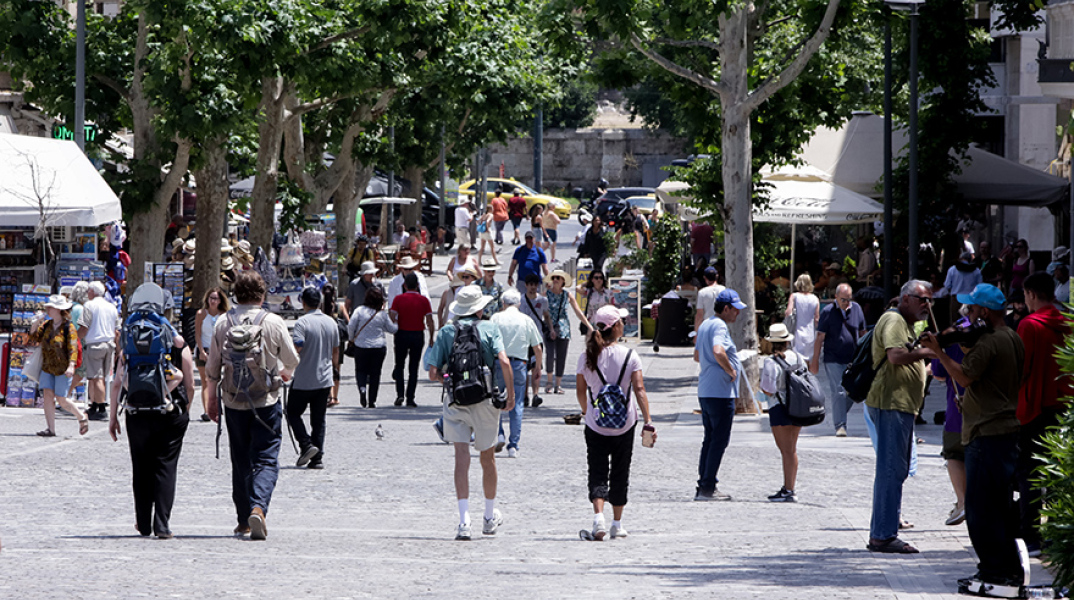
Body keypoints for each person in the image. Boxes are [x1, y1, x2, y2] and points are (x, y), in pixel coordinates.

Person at [921, 284, 1025, 594]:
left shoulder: (990, 342)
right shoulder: (1012, 337)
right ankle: (1005, 569)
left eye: (972, 308)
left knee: (981, 511)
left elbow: (965, 377)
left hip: (986, 433)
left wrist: (939, 351)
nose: (967, 314)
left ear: (985, 311)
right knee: (1001, 508)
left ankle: (993, 572)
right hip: (1005, 430)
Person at [206, 271, 300, 540]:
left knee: (240, 460)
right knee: (266, 458)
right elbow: (292, 359)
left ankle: (242, 519)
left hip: (233, 400)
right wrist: (284, 373)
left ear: (235, 294)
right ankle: (258, 508)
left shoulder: (223, 322)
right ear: (262, 294)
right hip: (266, 400)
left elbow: (212, 367)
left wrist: (211, 398)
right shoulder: (273, 322)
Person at [425, 286, 515, 540]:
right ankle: (488, 517)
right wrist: (511, 395)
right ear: (479, 308)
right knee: (488, 458)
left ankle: (464, 520)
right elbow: (505, 362)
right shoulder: (488, 328)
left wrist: (450, 379)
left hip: (456, 402)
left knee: (461, 458)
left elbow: (432, 373)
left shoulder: (446, 331)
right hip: (485, 400)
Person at [108, 283, 192, 539]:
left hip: (136, 409)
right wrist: (185, 408)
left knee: (141, 467)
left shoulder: (129, 342)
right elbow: (189, 382)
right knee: (165, 466)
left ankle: (143, 523)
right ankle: (162, 525)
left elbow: (116, 381)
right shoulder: (178, 343)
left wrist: (113, 416)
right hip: (170, 411)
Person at [864, 280, 936, 554]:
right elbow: (895, 356)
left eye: (930, 300)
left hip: (901, 405)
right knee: (891, 470)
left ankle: (885, 530)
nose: (927, 305)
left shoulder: (905, 323)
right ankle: (882, 535)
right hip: (890, 403)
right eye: (922, 299)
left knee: (897, 470)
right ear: (906, 299)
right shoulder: (894, 320)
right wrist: (928, 352)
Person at [576, 305, 653, 540]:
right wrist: (648, 421)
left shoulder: (586, 356)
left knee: (597, 470)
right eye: (621, 321)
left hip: (596, 424)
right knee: (621, 471)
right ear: (616, 327)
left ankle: (598, 518)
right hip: (625, 424)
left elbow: (581, 391)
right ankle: (616, 524)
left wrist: (588, 412)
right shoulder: (630, 356)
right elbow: (639, 390)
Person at [1015, 272, 1073, 557]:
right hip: (1064, 406)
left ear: (1032, 294)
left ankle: (1031, 535)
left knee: (1030, 472)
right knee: (1058, 471)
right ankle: (1058, 533)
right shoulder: (1069, 323)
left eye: (1026, 296)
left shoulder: (1029, 325)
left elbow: (1021, 368)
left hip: (1034, 407)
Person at [693, 288, 747, 501]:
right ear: (726, 309)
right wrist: (731, 370)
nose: (738, 314)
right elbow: (718, 350)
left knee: (710, 439)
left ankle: (704, 484)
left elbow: (698, 355)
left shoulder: (706, 323)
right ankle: (708, 487)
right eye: (735, 310)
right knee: (719, 440)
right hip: (720, 393)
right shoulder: (719, 326)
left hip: (706, 390)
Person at [286, 287, 340, 470]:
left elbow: (298, 346)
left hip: (304, 378)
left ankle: (306, 444)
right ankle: (317, 458)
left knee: (292, 412)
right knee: (319, 419)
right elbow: (335, 350)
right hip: (324, 379)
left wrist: (287, 361)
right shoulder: (331, 322)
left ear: (304, 303)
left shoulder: (302, 323)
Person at [490, 289, 544, 458]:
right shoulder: (526, 320)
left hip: (499, 362)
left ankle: (498, 433)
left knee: (497, 401)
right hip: (520, 364)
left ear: (503, 303)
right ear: (519, 304)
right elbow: (537, 347)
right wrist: (537, 368)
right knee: (517, 403)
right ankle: (513, 445)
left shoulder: (496, 318)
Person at [809, 283, 865, 437]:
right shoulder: (827, 312)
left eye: (849, 299)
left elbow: (862, 333)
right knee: (839, 390)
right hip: (833, 358)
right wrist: (815, 361)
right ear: (836, 297)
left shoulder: (857, 309)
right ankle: (840, 425)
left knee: (854, 391)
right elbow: (820, 337)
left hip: (853, 358)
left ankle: (838, 410)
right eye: (843, 300)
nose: (847, 303)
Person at [929, 316, 968, 529]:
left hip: (958, 408)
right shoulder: (994, 334)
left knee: (954, 454)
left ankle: (962, 501)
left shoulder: (951, 337)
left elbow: (938, 374)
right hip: (988, 410)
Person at [30, 294, 88, 437]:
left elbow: (73, 348)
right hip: (47, 366)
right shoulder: (46, 326)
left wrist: (71, 365)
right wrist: (34, 323)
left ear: (59, 310)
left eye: (51, 307)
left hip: (63, 368)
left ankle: (81, 416)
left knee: (62, 399)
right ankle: (51, 428)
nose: (48, 309)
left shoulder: (69, 327)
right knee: (48, 395)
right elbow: (33, 338)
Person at [759, 323, 804, 503]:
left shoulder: (770, 362)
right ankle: (789, 487)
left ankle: (789, 489)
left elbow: (768, 389)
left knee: (786, 450)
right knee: (792, 449)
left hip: (779, 407)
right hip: (798, 406)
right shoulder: (798, 357)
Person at [391, 272, 436, 407]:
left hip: (401, 334)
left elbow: (392, 318)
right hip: (417, 334)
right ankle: (410, 397)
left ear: (404, 285)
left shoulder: (398, 299)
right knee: (413, 367)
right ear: (417, 285)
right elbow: (429, 321)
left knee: (399, 365)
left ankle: (399, 394)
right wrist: (431, 337)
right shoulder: (424, 300)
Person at [544, 269, 592, 395]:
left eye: (558, 278)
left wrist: (588, 325)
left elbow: (578, 311)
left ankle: (558, 384)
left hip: (563, 327)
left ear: (563, 281)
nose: (555, 280)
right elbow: (541, 308)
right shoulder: (546, 294)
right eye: (554, 277)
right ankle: (549, 382)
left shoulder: (567, 295)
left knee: (561, 356)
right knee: (549, 354)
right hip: (549, 327)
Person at [349, 287, 398, 408]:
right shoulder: (382, 315)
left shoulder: (359, 310)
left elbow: (351, 325)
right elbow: (392, 329)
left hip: (361, 346)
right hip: (378, 347)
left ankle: (362, 389)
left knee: (360, 370)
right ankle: (372, 401)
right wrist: (397, 322)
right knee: (375, 374)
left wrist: (351, 338)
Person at [79, 281, 120, 421]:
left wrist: (75, 340)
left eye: (88, 291)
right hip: (109, 344)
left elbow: (84, 327)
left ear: (92, 292)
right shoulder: (112, 306)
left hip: (95, 344)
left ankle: (101, 408)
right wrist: (118, 349)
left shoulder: (89, 305)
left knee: (97, 378)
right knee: (101, 377)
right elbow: (117, 330)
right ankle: (95, 405)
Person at [195, 287, 229, 422]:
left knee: (220, 381)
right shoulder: (201, 313)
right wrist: (201, 351)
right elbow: (197, 334)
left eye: (216, 298)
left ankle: (219, 407)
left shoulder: (224, 315)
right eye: (211, 298)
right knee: (206, 381)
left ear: (220, 300)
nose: (213, 301)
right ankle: (206, 411)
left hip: (220, 350)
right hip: (204, 349)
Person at [520, 274, 549, 407]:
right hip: (523, 338)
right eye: (530, 284)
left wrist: (551, 329)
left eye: (535, 284)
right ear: (526, 285)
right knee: (524, 367)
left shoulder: (542, 300)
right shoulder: (521, 301)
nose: (532, 287)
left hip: (537, 338)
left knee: (536, 367)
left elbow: (546, 316)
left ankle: (536, 394)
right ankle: (525, 395)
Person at [320, 284, 346, 407]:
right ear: (335, 293)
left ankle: (328, 395)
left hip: (324, 340)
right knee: (336, 369)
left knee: (325, 368)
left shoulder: (320, 308)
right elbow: (348, 323)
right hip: (338, 341)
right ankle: (335, 397)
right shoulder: (340, 307)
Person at [785, 274, 819, 361]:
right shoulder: (815, 298)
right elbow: (816, 319)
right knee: (808, 361)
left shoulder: (794, 296)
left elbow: (788, 312)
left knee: (797, 360)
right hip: (810, 333)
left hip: (797, 332)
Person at [945, 251, 982, 320]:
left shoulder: (952, 269)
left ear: (960, 258)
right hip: (970, 299)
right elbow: (979, 286)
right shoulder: (976, 270)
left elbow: (947, 285)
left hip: (956, 299)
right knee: (969, 321)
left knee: (955, 321)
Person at [693, 266, 725, 331]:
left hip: (707, 326)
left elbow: (699, 314)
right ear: (717, 276)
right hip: (721, 325)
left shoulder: (702, 292)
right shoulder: (724, 290)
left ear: (705, 278)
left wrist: (696, 333)